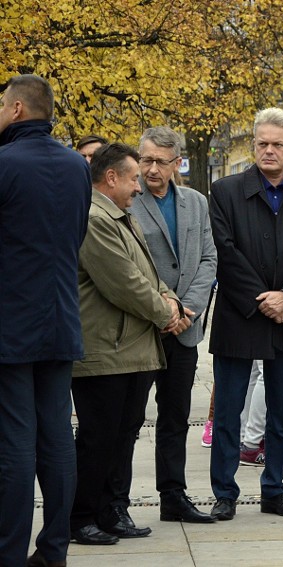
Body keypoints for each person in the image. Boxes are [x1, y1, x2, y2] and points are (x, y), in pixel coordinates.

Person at [207, 108, 283, 521]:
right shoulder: (225, 191)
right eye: (262, 143)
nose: (269, 150)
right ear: (254, 144)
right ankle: (224, 492)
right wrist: (263, 299)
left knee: (281, 413)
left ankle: (275, 489)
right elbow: (224, 251)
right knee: (228, 411)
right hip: (240, 314)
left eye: (278, 144)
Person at [71, 143, 186, 545]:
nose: (139, 186)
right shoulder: (93, 217)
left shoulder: (122, 215)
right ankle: (80, 516)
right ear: (112, 177)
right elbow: (123, 282)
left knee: (123, 435)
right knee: (97, 438)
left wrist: (170, 299)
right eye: (134, 177)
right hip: (106, 350)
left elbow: (148, 273)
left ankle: (109, 510)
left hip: (132, 349)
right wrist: (164, 313)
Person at [0, 74, 91, 567]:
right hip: (60, 317)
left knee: (14, 443)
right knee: (56, 438)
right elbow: (74, 236)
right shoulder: (77, 164)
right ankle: (53, 549)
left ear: (16, 110)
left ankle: (8, 552)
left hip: (11, 323)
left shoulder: (4, 163)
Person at [127, 126, 217, 524]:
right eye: (145, 160)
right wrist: (164, 311)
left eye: (161, 162)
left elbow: (208, 259)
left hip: (184, 330)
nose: (152, 169)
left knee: (176, 417)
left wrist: (188, 310)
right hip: (142, 329)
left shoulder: (196, 202)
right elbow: (126, 268)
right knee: (127, 419)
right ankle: (114, 500)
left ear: (176, 162)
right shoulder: (127, 202)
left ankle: (174, 496)